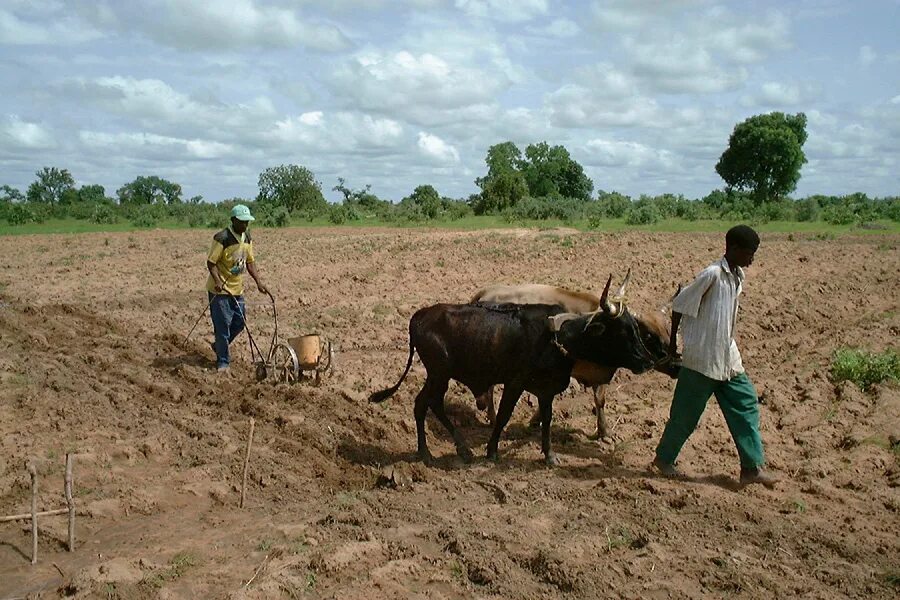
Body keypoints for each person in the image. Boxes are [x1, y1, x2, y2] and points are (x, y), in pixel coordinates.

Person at [653, 224, 778, 487]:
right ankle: (664, 460)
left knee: (746, 406)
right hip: (702, 358)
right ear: (733, 249)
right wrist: (673, 345)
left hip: (727, 357)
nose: (752, 259)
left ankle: (751, 468)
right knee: (684, 416)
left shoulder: (738, 276)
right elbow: (679, 305)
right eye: (749, 253)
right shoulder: (712, 274)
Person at [206, 204, 268, 372]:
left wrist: (259, 283)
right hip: (220, 291)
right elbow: (211, 263)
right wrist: (218, 281)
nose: (245, 225)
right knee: (222, 327)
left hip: (237, 289)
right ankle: (223, 362)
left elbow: (250, 262)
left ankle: (219, 346)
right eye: (242, 222)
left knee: (239, 323)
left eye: (247, 222)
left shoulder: (247, 237)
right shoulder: (222, 237)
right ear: (233, 220)